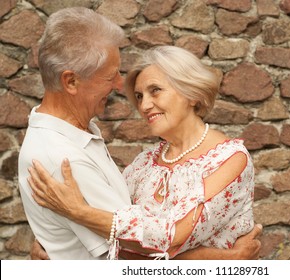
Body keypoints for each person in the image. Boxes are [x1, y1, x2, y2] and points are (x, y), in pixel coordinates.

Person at [19, 7, 261, 260]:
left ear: (192, 93)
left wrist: (78, 213)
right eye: (139, 96)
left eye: (155, 91)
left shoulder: (230, 159)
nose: (144, 105)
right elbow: (131, 252)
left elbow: (171, 238)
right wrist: (58, 239)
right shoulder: (144, 164)